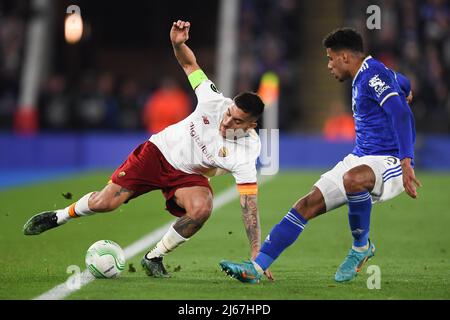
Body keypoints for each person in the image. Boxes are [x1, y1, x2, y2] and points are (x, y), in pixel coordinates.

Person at [23, 20, 272, 280]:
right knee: (105, 203)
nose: (227, 121)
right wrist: (179, 44)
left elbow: (248, 204)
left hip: (188, 175)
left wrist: (256, 251)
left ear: (251, 125)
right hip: (158, 152)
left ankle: (154, 257)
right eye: (230, 113)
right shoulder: (214, 100)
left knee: (201, 209)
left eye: (237, 121)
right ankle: (58, 216)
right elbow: (190, 65)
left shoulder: (247, 151)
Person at [220, 28, 421, 284]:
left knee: (353, 179)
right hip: (360, 157)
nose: (328, 65)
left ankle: (361, 248)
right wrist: (407, 89)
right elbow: (402, 82)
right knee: (305, 204)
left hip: (389, 160)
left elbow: (401, 114)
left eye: (331, 58)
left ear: (345, 57)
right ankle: (255, 269)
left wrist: (406, 160)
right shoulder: (373, 73)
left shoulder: (372, 76)